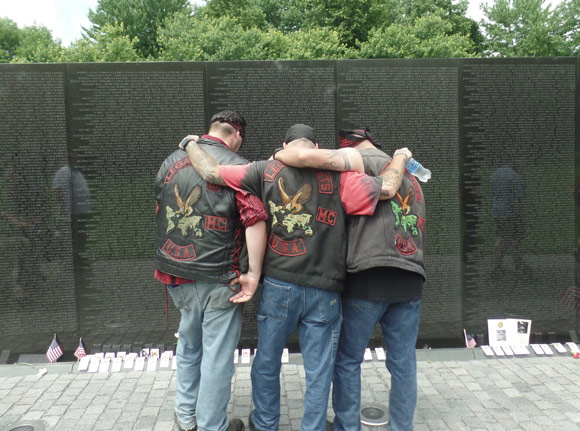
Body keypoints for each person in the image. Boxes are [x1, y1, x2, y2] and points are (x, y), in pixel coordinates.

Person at [179, 124, 412, 431]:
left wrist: (191, 145)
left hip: (279, 284)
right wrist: (399, 158)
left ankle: (264, 424)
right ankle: (313, 427)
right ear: (317, 148)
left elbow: (211, 173)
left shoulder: (263, 170)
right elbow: (386, 188)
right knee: (319, 369)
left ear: (285, 145)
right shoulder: (343, 177)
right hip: (325, 289)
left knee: (267, 362)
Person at [274, 128, 426, 431]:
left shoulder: (354, 166)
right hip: (411, 278)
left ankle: (347, 426)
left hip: (367, 277)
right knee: (403, 363)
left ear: (348, 148)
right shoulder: (411, 175)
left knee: (348, 360)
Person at [155, 110, 268, 431]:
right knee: (217, 356)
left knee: (189, 346)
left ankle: (186, 418)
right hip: (222, 276)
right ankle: (212, 426)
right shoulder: (239, 167)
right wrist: (253, 274)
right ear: (237, 135)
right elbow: (255, 219)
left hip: (176, 272)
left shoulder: (170, 162)